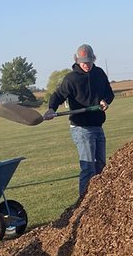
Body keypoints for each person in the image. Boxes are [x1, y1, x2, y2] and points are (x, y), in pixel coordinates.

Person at [44, 43, 115, 196]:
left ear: (93, 59)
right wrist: (51, 108)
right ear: (77, 60)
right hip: (81, 128)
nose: (86, 64)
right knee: (88, 167)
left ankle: (99, 198)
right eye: (83, 62)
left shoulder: (99, 73)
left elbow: (109, 93)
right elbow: (58, 95)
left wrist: (105, 101)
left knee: (101, 166)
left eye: (88, 61)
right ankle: (83, 202)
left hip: (97, 126)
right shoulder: (71, 79)